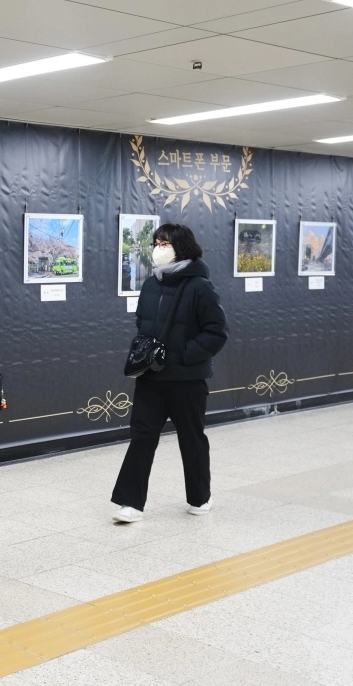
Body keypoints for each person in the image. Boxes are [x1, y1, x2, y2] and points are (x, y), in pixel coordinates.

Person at [111, 223, 228, 524]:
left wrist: (185, 355)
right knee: (142, 438)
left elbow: (217, 332)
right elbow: (142, 321)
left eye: (165, 244)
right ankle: (130, 503)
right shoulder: (151, 283)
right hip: (151, 377)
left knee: (191, 439)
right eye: (156, 243)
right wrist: (147, 350)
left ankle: (200, 497)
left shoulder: (199, 286)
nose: (158, 249)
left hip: (187, 380)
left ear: (181, 247)